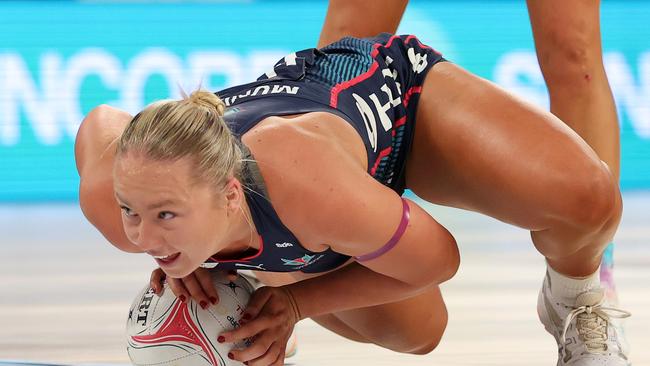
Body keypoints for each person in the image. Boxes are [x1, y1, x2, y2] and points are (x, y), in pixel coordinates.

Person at [75, 33, 630, 366]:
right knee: (420, 334)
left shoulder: (302, 183)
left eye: (165, 215)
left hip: (401, 114)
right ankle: (260, 279)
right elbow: (99, 123)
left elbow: (441, 259)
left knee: (590, 198)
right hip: (313, 199)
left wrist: (296, 306)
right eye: (133, 213)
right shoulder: (116, 193)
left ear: (227, 193)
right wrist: (177, 246)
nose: (142, 237)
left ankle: (576, 298)